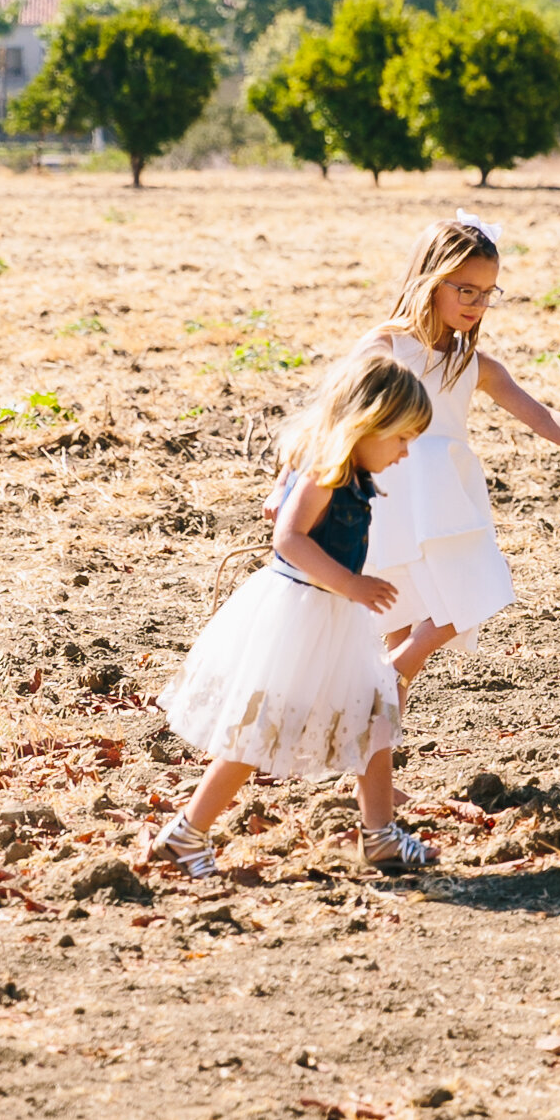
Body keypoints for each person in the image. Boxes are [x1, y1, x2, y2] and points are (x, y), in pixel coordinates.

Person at [153, 347, 438, 881]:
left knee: (378, 717)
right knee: (259, 731)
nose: (405, 452)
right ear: (368, 423)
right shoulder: (326, 474)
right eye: (401, 438)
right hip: (302, 617)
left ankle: (379, 835)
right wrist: (351, 583)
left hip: (333, 618)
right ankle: (187, 831)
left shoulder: (351, 472)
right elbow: (287, 538)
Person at [360, 210, 560, 692]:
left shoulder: (474, 364)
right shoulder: (385, 346)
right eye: (464, 290)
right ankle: (388, 701)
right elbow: (335, 412)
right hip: (395, 488)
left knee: (457, 598)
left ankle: (389, 697)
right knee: (429, 603)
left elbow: (544, 418)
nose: (476, 303)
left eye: (487, 293)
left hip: (448, 495)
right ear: (430, 282)